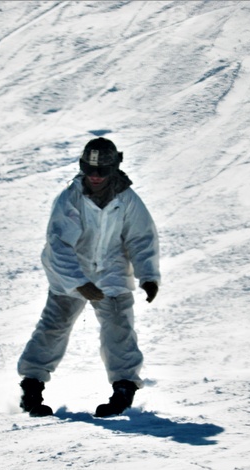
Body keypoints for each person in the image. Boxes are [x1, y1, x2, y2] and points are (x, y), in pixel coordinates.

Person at [17, 137, 160, 418]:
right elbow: (58, 243)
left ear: (115, 169)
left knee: (119, 329)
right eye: (89, 169)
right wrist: (77, 282)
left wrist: (148, 276)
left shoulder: (127, 200)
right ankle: (31, 386)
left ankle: (124, 388)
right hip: (70, 274)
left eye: (102, 171)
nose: (94, 176)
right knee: (53, 327)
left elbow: (140, 238)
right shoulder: (71, 198)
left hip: (112, 274)